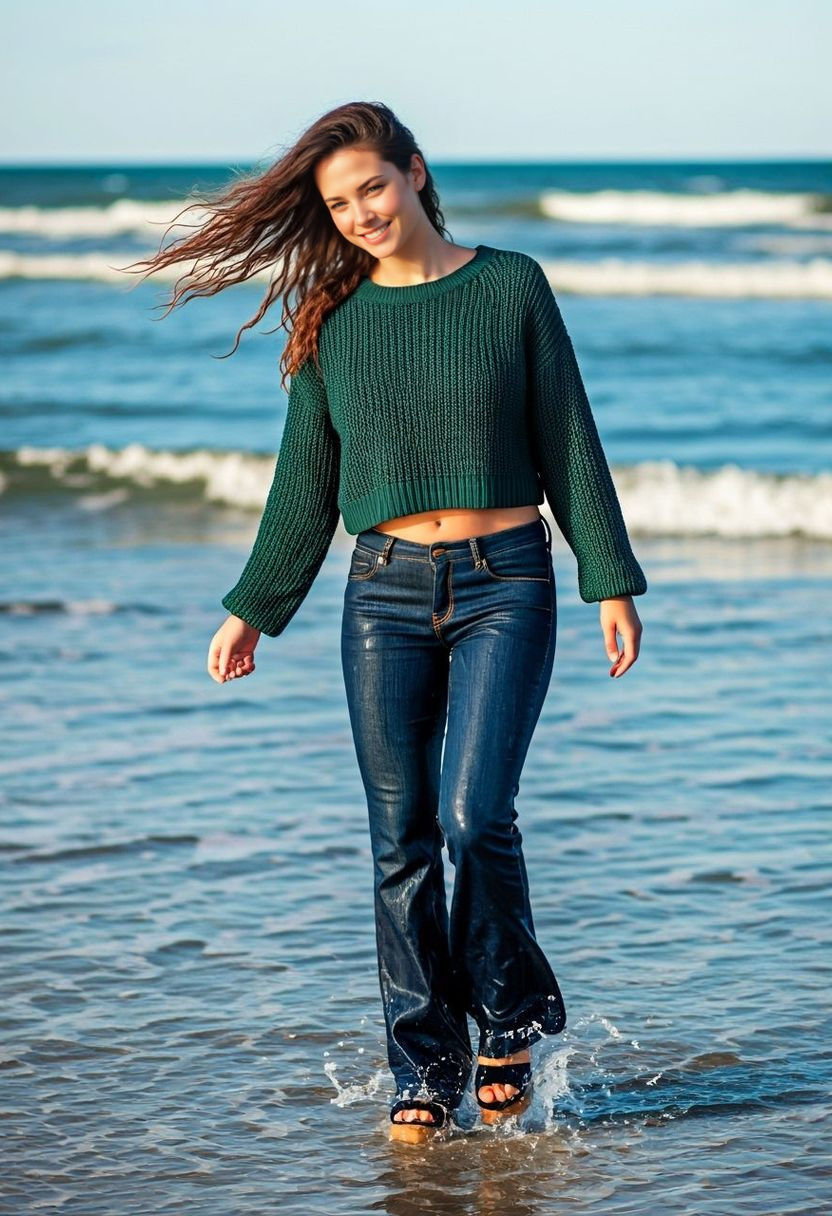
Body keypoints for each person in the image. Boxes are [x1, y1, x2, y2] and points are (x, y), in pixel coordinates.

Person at [125, 101, 646, 1144]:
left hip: (507, 581)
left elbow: (566, 430)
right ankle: (422, 1064)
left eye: (373, 185)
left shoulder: (509, 285)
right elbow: (304, 483)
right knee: (400, 841)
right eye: (338, 201)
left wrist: (608, 576)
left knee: (473, 815)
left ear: (413, 173)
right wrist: (254, 606)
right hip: (383, 594)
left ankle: (503, 1017)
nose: (359, 211)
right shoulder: (331, 317)